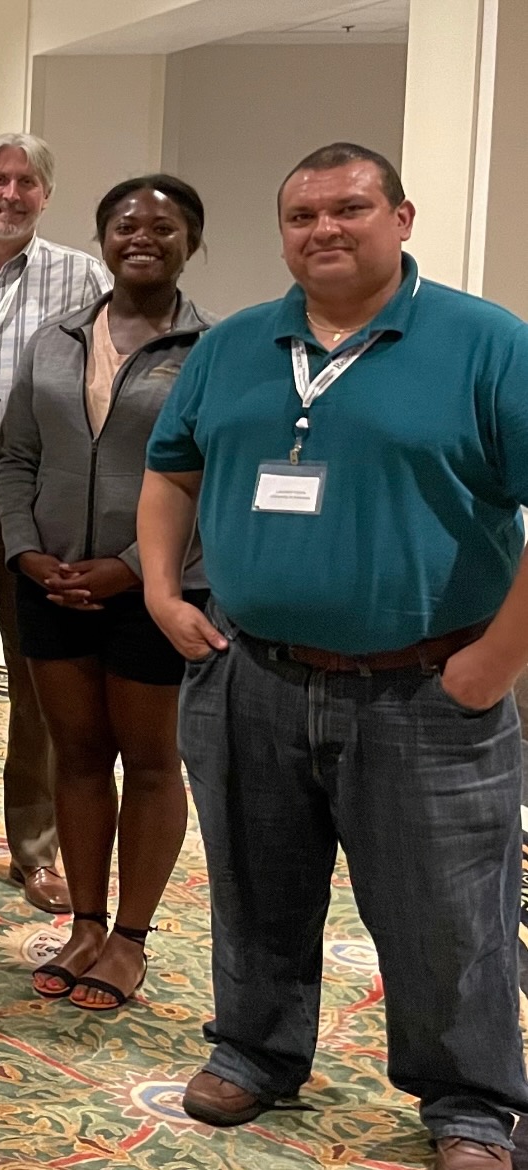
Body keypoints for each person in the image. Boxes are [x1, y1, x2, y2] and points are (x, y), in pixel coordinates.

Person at [139, 142, 527, 1170]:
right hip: (251, 673)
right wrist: (160, 588)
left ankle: (470, 1105)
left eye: (349, 209)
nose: (324, 230)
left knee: (446, 913)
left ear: (401, 218)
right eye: (302, 215)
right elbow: (171, 468)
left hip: (426, 688)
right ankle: (256, 1051)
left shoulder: (486, 342)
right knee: (254, 885)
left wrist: (494, 660)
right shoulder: (233, 348)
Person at [0, 174, 214, 1012]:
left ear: (191, 242)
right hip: (50, 583)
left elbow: (214, 478)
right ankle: (86, 924)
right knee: (77, 757)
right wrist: (23, 552)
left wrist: (133, 564)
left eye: (163, 227)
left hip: (155, 590)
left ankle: (130, 939)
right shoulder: (53, 340)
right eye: (126, 224)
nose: (143, 238)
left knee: (151, 761)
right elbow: (16, 458)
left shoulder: (212, 349)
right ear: (102, 237)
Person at [0, 133, 113, 914]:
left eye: (26, 182)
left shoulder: (85, 279)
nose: (9, 194)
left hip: (38, 504)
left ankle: (37, 849)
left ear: (46, 194)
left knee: (41, 685)